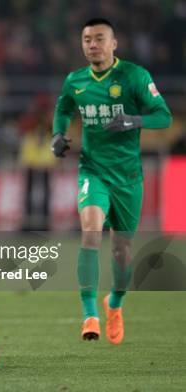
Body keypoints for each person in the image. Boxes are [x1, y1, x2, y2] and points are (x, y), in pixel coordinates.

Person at [51, 18, 172, 343]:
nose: (93, 44)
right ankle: (90, 314)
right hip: (93, 171)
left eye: (99, 38)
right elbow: (63, 108)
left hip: (129, 178)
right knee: (90, 232)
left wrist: (133, 120)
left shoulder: (134, 76)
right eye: (87, 39)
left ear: (113, 44)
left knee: (121, 251)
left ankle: (114, 304)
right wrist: (58, 135)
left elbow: (164, 115)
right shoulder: (76, 80)